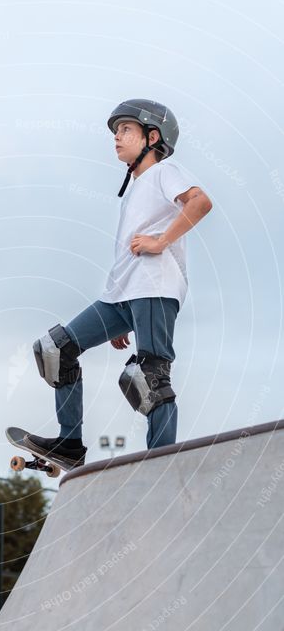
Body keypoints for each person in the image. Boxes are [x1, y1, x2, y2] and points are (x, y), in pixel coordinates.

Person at [25, 98, 213, 468]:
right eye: (115, 131)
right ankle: (68, 443)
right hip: (124, 294)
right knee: (55, 348)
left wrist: (161, 241)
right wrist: (118, 312)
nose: (117, 137)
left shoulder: (164, 172)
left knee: (149, 377)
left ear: (152, 137)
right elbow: (127, 253)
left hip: (156, 287)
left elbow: (200, 202)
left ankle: (159, 465)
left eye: (126, 129)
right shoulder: (134, 190)